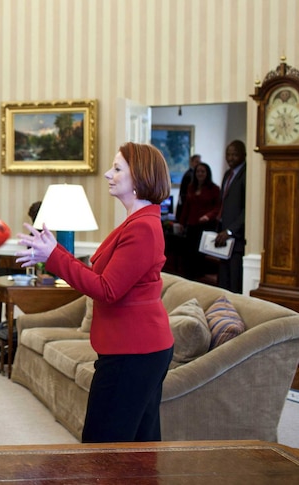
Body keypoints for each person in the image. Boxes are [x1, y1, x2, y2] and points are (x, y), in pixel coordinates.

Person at [15, 142, 174, 443]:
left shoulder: (142, 228)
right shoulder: (137, 222)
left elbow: (106, 289)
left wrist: (54, 257)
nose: (107, 174)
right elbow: (101, 277)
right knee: (138, 447)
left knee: (102, 449)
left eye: (117, 169)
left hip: (134, 350)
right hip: (137, 348)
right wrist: (53, 252)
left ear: (139, 178)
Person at [175, 162, 221, 280]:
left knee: (200, 257)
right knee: (189, 255)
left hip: (205, 227)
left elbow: (218, 207)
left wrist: (208, 216)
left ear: (207, 173)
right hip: (192, 226)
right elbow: (186, 206)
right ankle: (189, 279)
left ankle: (199, 278)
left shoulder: (214, 189)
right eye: (198, 171)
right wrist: (181, 223)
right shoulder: (191, 187)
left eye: (203, 171)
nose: (200, 174)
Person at [215, 140, 246, 293]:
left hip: (236, 238)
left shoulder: (246, 174)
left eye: (235, 154)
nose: (231, 158)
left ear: (244, 155)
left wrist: (230, 231)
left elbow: (248, 210)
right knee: (223, 281)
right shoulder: (228, 174)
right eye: (228, 154)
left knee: (234, 284)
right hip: (223, 235)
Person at [175, 153, 201, 219]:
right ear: (191, 162)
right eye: (197, 162)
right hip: (186, 206)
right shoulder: (190, 175)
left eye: (200, 162)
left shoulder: (190, 173)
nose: (199, 164)